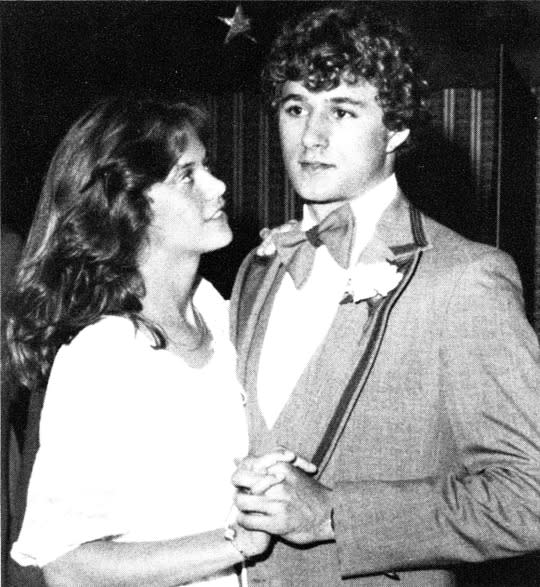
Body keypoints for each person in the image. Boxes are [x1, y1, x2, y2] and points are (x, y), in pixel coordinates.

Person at [230, 4, 540, 586]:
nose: (312, 136)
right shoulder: (258, 266)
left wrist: (333, 514)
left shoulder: (465, 279)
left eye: (343, 110)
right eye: (296, 107)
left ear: (395, 127)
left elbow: (532, 495)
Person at [5, 96, 312, 586]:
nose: (219, 186)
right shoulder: (102, 356)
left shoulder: (217, 310)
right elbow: (67, 567)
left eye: (206, 167)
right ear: (128, 207)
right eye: (187, 176)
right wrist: (236, 541)